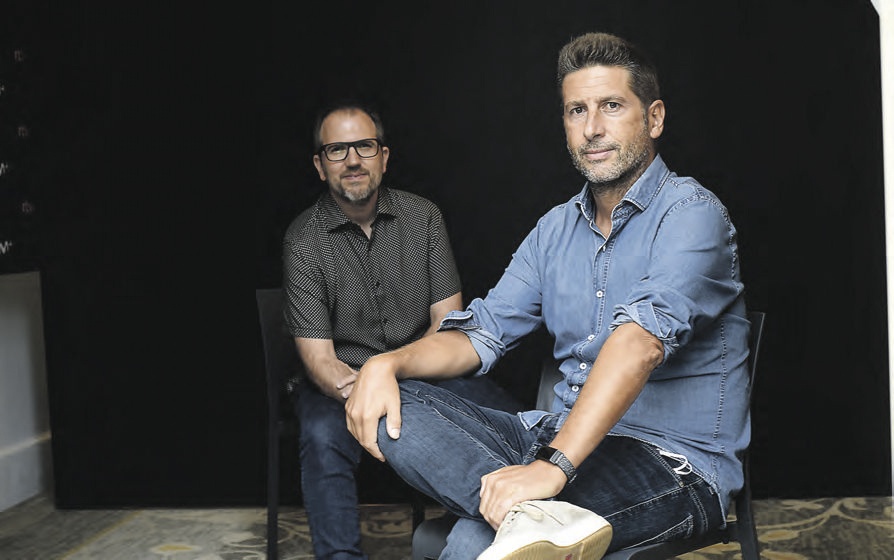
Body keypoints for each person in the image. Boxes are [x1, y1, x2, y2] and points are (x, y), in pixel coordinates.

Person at [345, 31, 751, 560]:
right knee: (391, 399)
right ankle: (531, 518)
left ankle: (526, 518)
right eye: (577, 110)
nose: (592, 128)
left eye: (611, 106)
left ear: (653, 118)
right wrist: (386, 364)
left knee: (475, 539)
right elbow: (481, 334)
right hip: (552, 436)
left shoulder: (692, 215)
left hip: (670, 462)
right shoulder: (554, 229)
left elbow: (639, 344)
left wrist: (552, 467)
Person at [282, 99, 522, 560]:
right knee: (320, 435)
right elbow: (320, 360)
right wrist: (373, 390)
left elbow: (447, 324)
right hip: (341, 383)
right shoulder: (303, 240)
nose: (353, 160)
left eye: (365, 146)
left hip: (425, 369)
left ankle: (512, 529)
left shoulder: (423, 217)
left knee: (506, 417)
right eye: (337, 150)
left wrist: (401, 378)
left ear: (384, 156)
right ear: (319, 165)